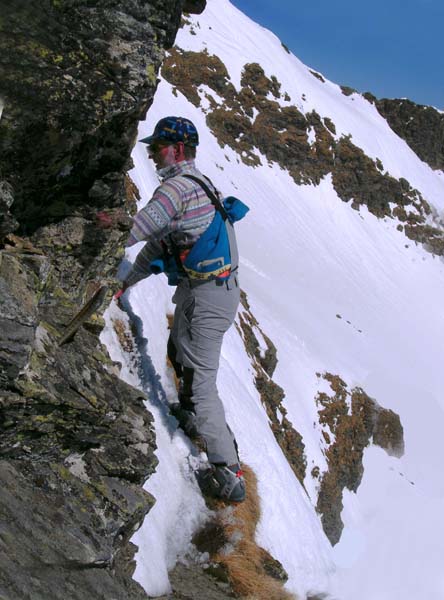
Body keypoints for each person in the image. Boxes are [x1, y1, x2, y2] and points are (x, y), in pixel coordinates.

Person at [120, 116, 246, 502]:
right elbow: (163, 243)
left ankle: (228, 472)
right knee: (180, 352)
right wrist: (126, 282)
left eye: (157, 147)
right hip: (215, 291)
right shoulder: (200, 184)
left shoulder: (176, 189)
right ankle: (192, 416)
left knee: (200, 380)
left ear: (175, 149)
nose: (153, 155)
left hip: (206, 297)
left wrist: (105, 228)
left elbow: (141, 228)